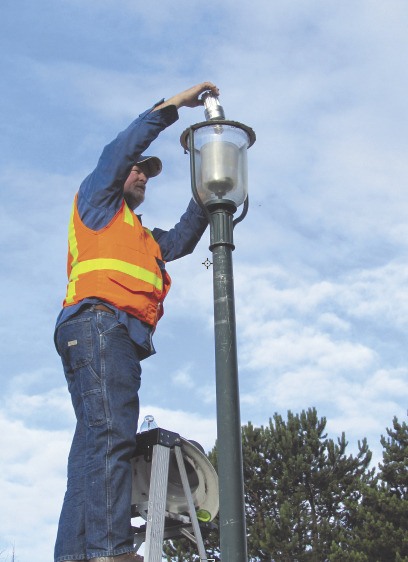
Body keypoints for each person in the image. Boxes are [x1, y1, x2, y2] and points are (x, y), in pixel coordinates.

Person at [54, 82, 219, 562]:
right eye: (138, 169)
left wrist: (211, 186)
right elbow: (120, 149)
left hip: (104, 335)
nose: (143, 174)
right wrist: (172, 108)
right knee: (110, 438)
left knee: (93, 448)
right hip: (100, 326)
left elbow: (184, 239)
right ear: (116, 176)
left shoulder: (143, 238)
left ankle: (76, 555)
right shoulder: (97, 202)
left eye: (148, 172)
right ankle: (111, 551)